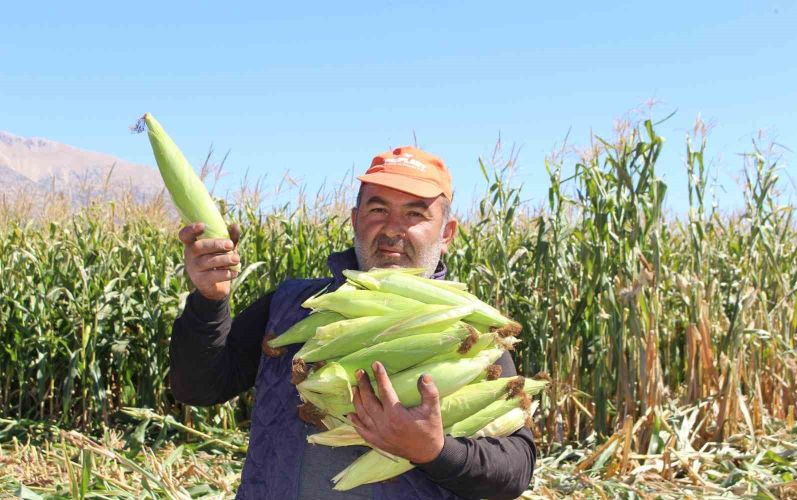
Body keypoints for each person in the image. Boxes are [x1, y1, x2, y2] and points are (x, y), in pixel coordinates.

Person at [170, 146, 537, 499]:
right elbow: (198, 388)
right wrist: (209, 301)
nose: (393, 228)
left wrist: (434, 451)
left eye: (414, 214)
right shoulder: (290, 308)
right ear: (355, 220)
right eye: (378, 209)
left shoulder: (474, 334)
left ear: (447, 234)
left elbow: (516, 470)